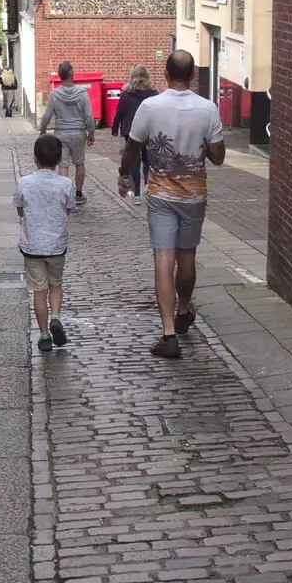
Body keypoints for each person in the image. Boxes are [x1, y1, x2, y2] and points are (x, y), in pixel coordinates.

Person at [120, 50, 225, 358]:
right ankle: (183, 309)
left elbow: (132, 147)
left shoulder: (150, 107)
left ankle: (168, 334)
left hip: (161, 195)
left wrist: (124, 173)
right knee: (187, 256)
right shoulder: (208, 109)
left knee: (163, 259)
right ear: (192, 75)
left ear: (165, 74)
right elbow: (218, 157)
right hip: (194, 195)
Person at [15, 133, 75, 353]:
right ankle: (56, 317)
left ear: (34, 158)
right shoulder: (66, 184)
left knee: (39, 291)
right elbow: (67, 210)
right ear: (59, 160)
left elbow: (20, 209)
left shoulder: (24, 183)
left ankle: (43, 335)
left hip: (32, 247)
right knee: (56, 284)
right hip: (57, 245)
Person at [39, 61, 95, 203]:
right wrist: (91, 133)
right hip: (78, 132)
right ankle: (78, 194)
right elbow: (88, 116)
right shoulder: (82, 93)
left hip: (61, 133)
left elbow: (47, 115)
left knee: (63, 165)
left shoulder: (54, 94)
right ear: (71, 74)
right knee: (79, 163)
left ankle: (65, 194)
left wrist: (43, 130)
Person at [110, 65, 158, 199]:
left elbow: (119, 113)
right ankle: (149, 191)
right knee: (148, 162)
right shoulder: (153, 93)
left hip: (131, 131)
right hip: (149, 131)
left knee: (134, 163)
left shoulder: (126, 94)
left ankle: (136, 195)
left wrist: (115, 128)